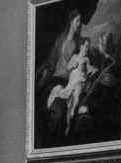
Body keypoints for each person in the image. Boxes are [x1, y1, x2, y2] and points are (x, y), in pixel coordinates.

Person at [35, 9, 84, 148]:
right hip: (55, 78)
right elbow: (52, 61)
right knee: (44, 108)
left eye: (80, 22)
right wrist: (45, 73)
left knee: (59, 112)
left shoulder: (79, 41)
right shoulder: (60, 39)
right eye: (77, 21)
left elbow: (81, 61)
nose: (79, 24)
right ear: (70, 21)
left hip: (67, 81)